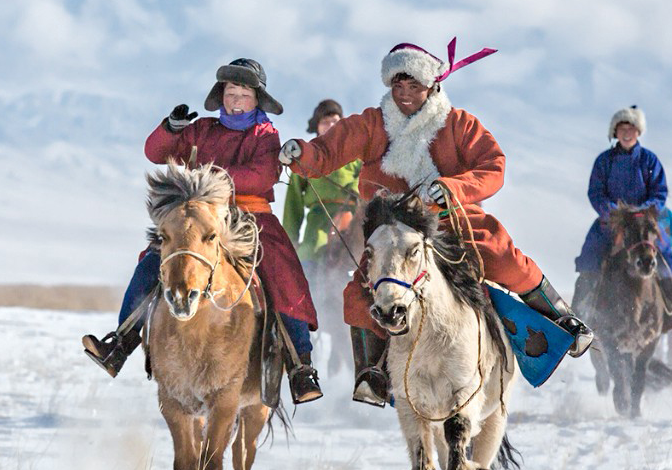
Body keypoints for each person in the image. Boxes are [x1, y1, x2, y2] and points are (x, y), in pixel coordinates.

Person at [279, 39, 593, 407]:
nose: (405, 94)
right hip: (392, 226)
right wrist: (304, 154)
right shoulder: (371, 123)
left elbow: (494, 165)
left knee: (500, 254)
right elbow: (330, 150)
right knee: (362, 288)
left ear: (432, 87)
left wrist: (454, 187)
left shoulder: (459, 123)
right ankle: (373, 374)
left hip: (450, 219)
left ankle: (561, 319)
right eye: (398, 86)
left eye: (414, 86)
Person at [82, 59, 323, 404]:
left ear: (257, 99)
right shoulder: (202, 130)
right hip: (197, 216)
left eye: (243, 94)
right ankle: (120, 342)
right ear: (220, 95)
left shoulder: (266, 135)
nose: (236, 100)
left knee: (283, 273)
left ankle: (301, 364)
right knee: (155, 259)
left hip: (249, 216)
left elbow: (262, 176)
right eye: (230, 92)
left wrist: (210, 179)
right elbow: (155, 153)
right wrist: (171, 128)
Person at [572, 106, 672, 329]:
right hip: (611, 223)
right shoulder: (603, 161)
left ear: (638, 132)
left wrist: (643, 211)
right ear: (614, 132)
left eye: (632, 128)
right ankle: (579, 312)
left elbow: (659, 192)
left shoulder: (649, 160)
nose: (627, 133)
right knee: (590, 256)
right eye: (622, 128)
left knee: (665, 255)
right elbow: (595, 192)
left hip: (644, 222)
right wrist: (614, 213)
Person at [282, 99, 361, 263]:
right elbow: (293, 200)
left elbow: (365, 174)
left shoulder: (354, 154)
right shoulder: (306, 158)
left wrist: (354, 189)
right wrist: (290, 239)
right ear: (317, 127)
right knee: (309, 254)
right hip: (317, 218)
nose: (331, 125)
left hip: (350, 215)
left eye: (335, 121)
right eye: (325, 122)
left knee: (357, 257)